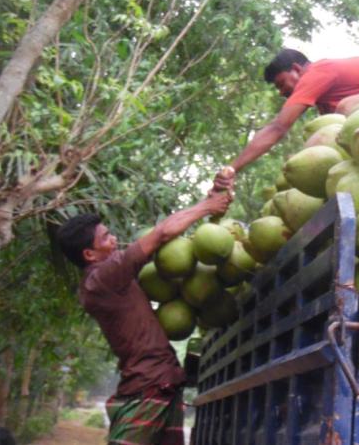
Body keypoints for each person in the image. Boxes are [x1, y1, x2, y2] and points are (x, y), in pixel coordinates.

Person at [54, 172, 233, 445]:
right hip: (150, 384)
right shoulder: (103, 278)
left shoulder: (109, 279)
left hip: (162, 381)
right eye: (105, 238)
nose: (114, 240)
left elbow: (178, 244)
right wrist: (206, 208)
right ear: (89, 255)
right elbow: (161, 235)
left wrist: (206, 205)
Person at [226, 48, 359, 175]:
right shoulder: (325, 103)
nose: (281, 92)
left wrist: (232, 168)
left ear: (296, 69)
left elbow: (278, 128)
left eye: (281, 84)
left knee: (344, 113)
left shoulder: (317, 72)